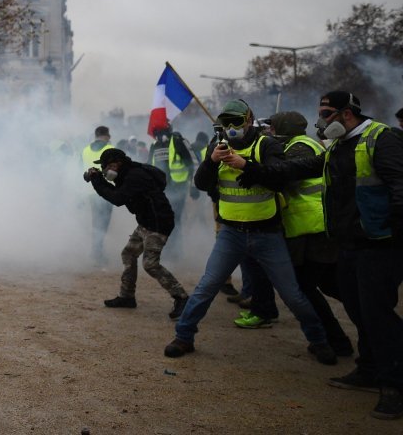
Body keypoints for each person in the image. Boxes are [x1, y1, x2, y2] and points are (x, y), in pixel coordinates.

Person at [238, 92, 403, 420]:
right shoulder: (339, 146)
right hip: (349, 243)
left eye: (327, 113)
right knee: (358, 310)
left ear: (347, 114)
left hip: (381, 244)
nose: (321, 120)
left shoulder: (382, 138)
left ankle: (395, 385)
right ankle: (368, 369)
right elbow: (304, 166)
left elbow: (400, 185)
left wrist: (395, 231)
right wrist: (252, 169)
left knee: (377, 314)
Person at [163, 99, 336, 365]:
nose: (231, 127)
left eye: (236, 121)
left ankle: (318, 340)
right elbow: (200, 183)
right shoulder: (218, 147)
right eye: (227, 122)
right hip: (231, 233)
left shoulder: (266, 144)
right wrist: (211, 161)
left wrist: (246, 166)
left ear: (248, 119)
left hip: (267, 233)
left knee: (292, 294)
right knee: (206, 287)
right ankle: (183, 336)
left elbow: (280, 177)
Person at [234, 111, 353, 356]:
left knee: (304, 287)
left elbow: (286, 177)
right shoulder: (299, 145)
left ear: (284, 129)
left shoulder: (300, 147)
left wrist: (254, 169)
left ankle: (338, 340)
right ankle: (355, 332)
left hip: (312, 226)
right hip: (311, 227)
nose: (268, 133)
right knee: (330, 284)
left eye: (272, 129)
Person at [85, 148, 189, 318]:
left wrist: (97, 181)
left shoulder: (135, 176)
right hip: (146, 222)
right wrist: (98, 179)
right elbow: (118, 192)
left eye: (106, 166)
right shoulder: (127, 172)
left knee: (150, 264)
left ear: (116, 164)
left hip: (158, 223)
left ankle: (182, 298)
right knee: (128, 254)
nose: (104, 170)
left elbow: (117, 199)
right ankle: (127, 297)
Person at [148, 124, 199, 256]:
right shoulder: (155, 146)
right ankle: (168, 251)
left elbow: (193, 163)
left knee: (173, 219)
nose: (159, 134)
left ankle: (175, 252)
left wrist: (194, 185)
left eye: (162, 130)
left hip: (178, 189)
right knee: (161, 220)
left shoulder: (178, 141)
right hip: (160, 191)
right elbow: (148, 168)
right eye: (157, 131)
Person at [81, 126, 115, 265]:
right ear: (106, 135)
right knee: (104, 222)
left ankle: (96, 250)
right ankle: (97, 252)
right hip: (107, 190)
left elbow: (81, 169)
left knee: (96, 221)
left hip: (91, 191)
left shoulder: (85, 150)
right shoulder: (110, 149)